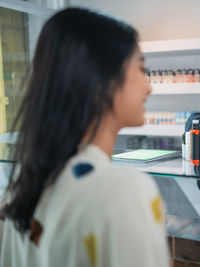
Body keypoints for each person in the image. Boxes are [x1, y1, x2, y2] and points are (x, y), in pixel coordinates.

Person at [0, 8, 169, 267]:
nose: (149, 86)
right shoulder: (123, 191)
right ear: (104, 81)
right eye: (141, 68)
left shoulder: (17, 190)